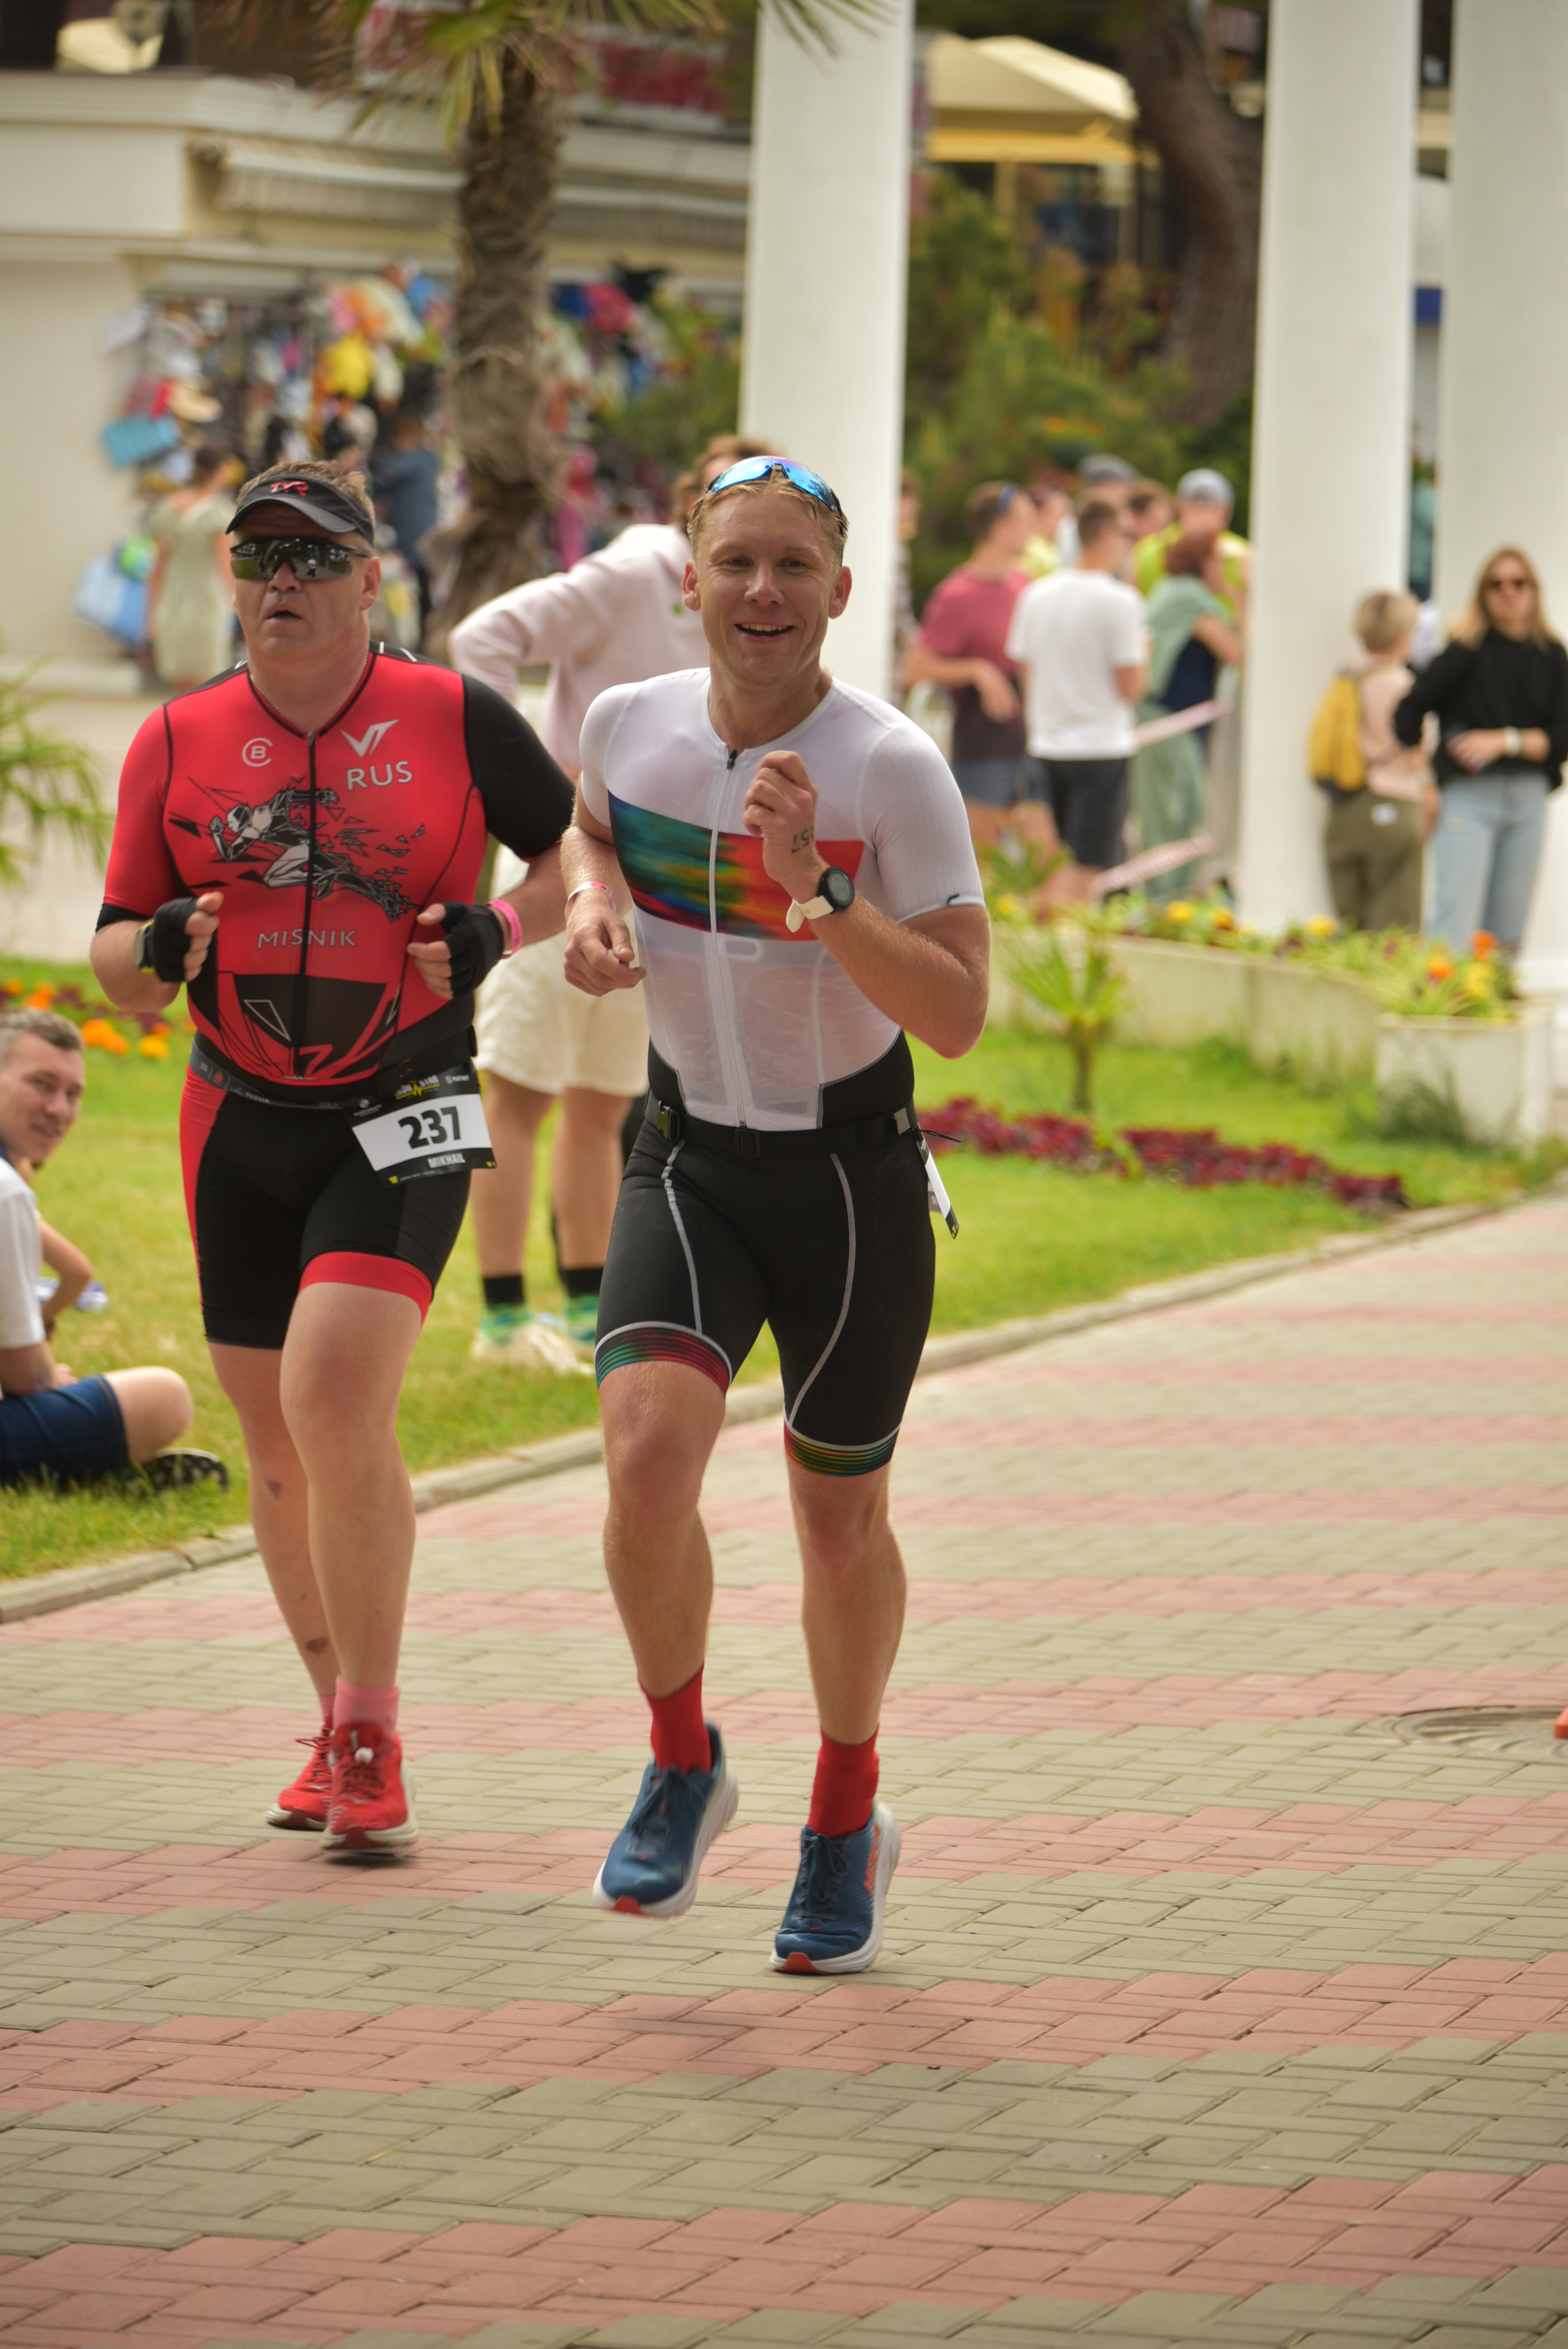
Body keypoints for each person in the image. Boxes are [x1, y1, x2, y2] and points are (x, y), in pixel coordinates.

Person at [91, 460, 575, 1855]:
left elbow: (568, 856)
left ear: (375, 581)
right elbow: (117, 954)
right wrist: (157, 950)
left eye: (313, 557)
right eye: (258, 557)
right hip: (234, 1113)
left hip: (405, 1098)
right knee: (274, 1437)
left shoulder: (455, 716)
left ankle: (371, 1727)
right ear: (230, 580)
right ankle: (335, 1717)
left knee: (334, 1390)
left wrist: (498, 929)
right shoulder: (176, 738)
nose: (281, 581)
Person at [561, 455, 989, 1972]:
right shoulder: (629, 725)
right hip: (688, 1159)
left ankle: (841, 1811)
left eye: (791, 567)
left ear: (840, 591)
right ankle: (683, 1757)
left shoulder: (890, 767)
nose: (760, 591)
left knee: (836, 1515)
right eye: (733, 561)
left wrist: (813, 890)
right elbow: (590, 827)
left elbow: (953, 1014)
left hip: (849, 1181)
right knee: (641, 1460)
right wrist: (587, 906)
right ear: (687, 577)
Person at [449, 434, 774, 1370]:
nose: (757, 558)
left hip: (655, 893)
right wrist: (536, 785)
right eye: (733, 512)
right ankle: (505, 1319)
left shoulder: (750, 612)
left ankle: (590, 1308)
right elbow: (483, 638)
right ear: (695, 513)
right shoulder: (636, 570)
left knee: (599, 1105)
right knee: (519, 1092)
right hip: (566, 874)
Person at [0, 1008, 217, 1491]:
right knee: (164, 1398)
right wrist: (50, 1377)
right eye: (41, 1083)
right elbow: (25, 1377)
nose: (59, 1109)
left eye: (73, 1094)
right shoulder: (6, 1191)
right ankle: (97, 1474)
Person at [1392, 547, 1568, 953]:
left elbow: (1560, 739)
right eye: (1497, 584)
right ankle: (1445, 1011)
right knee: (1454, 921)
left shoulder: (1552, 655)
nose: (1509, 592)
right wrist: (1425, 784)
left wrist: (1504, 740)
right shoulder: (1464, 652)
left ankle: (1494, 1006)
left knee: (1507, 931)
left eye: (1518, 583)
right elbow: (1407, 715)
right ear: (1483, 593)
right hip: (1468, 799)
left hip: (1527, 801)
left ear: (1534, 591)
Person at [1006, 497, 1148, 874]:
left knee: (1046, 869)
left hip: (1045, 745)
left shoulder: (1035, 595)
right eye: (1127, 535)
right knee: (1088, 871)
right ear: (1105, 534)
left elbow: (1025, 675)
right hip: (1100, 747)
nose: (1130, 545)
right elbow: (1131, 689)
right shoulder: (1122, 601)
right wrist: (1144, 654)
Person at [901, 481, 1037, 844]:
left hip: (1029, 741)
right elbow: (914, 669)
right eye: (1025, 521)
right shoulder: (956, 595)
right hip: (983, 745)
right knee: (982, 859)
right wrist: (978, 670)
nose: (1033, 530)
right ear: (1000, 528)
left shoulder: (1024, 584)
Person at [1131, 532, 1245, 902]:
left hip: (1170, 717)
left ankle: (1169, 897)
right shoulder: (1188, 595)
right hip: (1168, 718)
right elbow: (1237, 650)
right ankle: (1165, 900)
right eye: (1217, 561)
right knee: (1175, 811)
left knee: (1176, 809)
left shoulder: (1174, 590)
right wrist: (1240, 594)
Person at [1321, 590, 1436, 934]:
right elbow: (1418, 744)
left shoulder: (1345, 678)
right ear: (1404, 633)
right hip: (1393, 803)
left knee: (1353, 929)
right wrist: (1427, 790)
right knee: (1394, 931)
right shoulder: (1401, 684)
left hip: (1344, 809)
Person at [146, 444, 235, 692]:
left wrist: (151, 615)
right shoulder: (220, 512)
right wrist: (238, 604)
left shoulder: (168, 507)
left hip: (172, 602)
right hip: (206, 603)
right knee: (207, 686)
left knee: (180, 689)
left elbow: (158, 566)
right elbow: (224, 566)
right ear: (218, 471)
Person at [371, 410, 440, 641]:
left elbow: (387, 473)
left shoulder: (419, 459)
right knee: (418, 588)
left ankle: (420, 638)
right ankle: (420, 636)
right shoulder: (427, 460)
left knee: (418, 589)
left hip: (416, 536)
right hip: (417, 534)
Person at [1134, 466, 1249, 605]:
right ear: (1179, 506)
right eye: (1195, 505)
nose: (1201, 513)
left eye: (1209, 506)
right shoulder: (1148, 549)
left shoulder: (1245, 556)